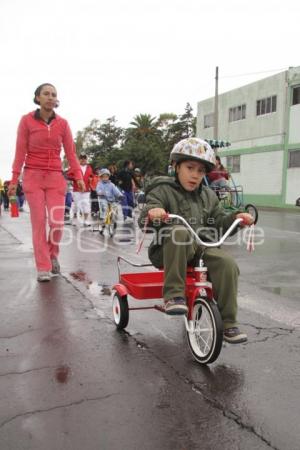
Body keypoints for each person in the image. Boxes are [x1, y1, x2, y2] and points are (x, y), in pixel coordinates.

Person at [138, 137, 254, 344]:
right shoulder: (162, 190)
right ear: (176, 166)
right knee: (180, 232)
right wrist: (154, 212)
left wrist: (236, 218)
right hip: (168, 248)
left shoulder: (208, 195)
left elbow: (217, 222)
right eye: (190, 167)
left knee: (227, 263)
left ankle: (228, 323)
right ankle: (174, 295)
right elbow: (148, 211)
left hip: (200, 248)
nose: (195, 175)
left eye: (201, 171)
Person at [8, 83, 85, 282]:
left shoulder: (63, 124)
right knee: (39, 222)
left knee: (57, 222)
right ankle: (43, 267)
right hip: (33, 176)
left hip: (55, 178)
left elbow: (71, 153)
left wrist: (78, 176)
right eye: (46, 94)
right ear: (37, 98)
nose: (50, 97)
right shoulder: (26, 121)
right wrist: (14, 179)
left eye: (53, 94)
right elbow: (20, 152)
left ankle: (52, 255)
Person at [67, 154, 93, 226]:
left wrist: (91, 178)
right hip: (77, 189)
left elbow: (91, 175)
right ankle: (74, 219)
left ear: (86, 159)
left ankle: (86, 220)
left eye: (84, 158)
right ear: (79, 159)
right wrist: (76, 178)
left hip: (86, 190)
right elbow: (68, 175)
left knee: (86, 204)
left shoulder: (89, 167)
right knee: (76, 204)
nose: (83, 160)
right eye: (81, 158)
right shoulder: (75, 167)